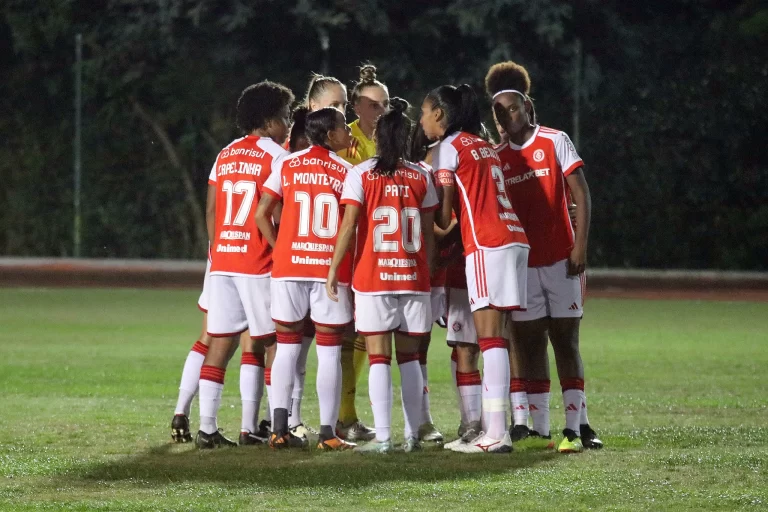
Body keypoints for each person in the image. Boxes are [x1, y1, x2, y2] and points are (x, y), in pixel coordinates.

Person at [486, 60, 603, 452]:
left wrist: (580, 246)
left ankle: (577, 427)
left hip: (560, 260)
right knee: (528, 343)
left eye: (513, 107)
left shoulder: (555, 140)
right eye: (498, 111)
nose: (506, 116)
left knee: (566, 341)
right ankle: (539, 427)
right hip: (522, 265)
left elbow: (582, 194)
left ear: (529, 107)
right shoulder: (496, 157)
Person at [421, 84, 530, 453]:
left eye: (424, 112)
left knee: (490, 339)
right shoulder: (483, 144)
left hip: (487, 242)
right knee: (497, 336)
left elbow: (445, 212)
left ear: (439, 113)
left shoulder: (448, 148)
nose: (421, 120)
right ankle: (495, 429)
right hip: (514, 237)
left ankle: (495, 433)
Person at [326, 98, 438, 453]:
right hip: (412, 278)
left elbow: (348, 228)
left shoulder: (360, 174)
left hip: (374, 279)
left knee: (378, 358)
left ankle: (386, 438)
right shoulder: (422, 175)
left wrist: (333, 271)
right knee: (409, 359)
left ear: (376, 136)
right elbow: (428, 233)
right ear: (406, 138)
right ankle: (410, 436)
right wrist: (427, 273)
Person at [195, 81, 293, 449]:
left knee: (221, 343)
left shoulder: (225, 153)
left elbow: (211, 208)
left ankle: (208, 428)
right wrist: (280, 249)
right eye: (283, 118)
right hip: (257, 262)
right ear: (268, 122)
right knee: (272, 343)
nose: (286, 125)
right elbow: (274, 212)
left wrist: (218, 248)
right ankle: (277, 425)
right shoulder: (277, 156)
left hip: (223, 259)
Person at [256, 107, 356, 451]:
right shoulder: (347, 171)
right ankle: (328, 435)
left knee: (286, 347)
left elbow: (261, 213)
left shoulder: (286, 163)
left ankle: (279, 429)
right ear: (329, 135)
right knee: (329, 353)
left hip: (289, 267)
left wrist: (279, 246)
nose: (348, 133)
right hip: (329, 270)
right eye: (343, 128)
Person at [299, 73, 375, 442]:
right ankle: (278, 420)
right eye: (336, 104)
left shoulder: (354, 144)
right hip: (301, 263)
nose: (343, 111)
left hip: (342, 262)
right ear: (313, 107)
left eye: (345, 104)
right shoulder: (293, 148)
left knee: (345, 336)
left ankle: (342, 417)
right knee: (287, 342)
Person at [338, 64, 390, 165]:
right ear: (357, 109)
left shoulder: (396, 137)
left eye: (386, 104)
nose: (383, 111)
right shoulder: (345, 139)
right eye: (374, 106)